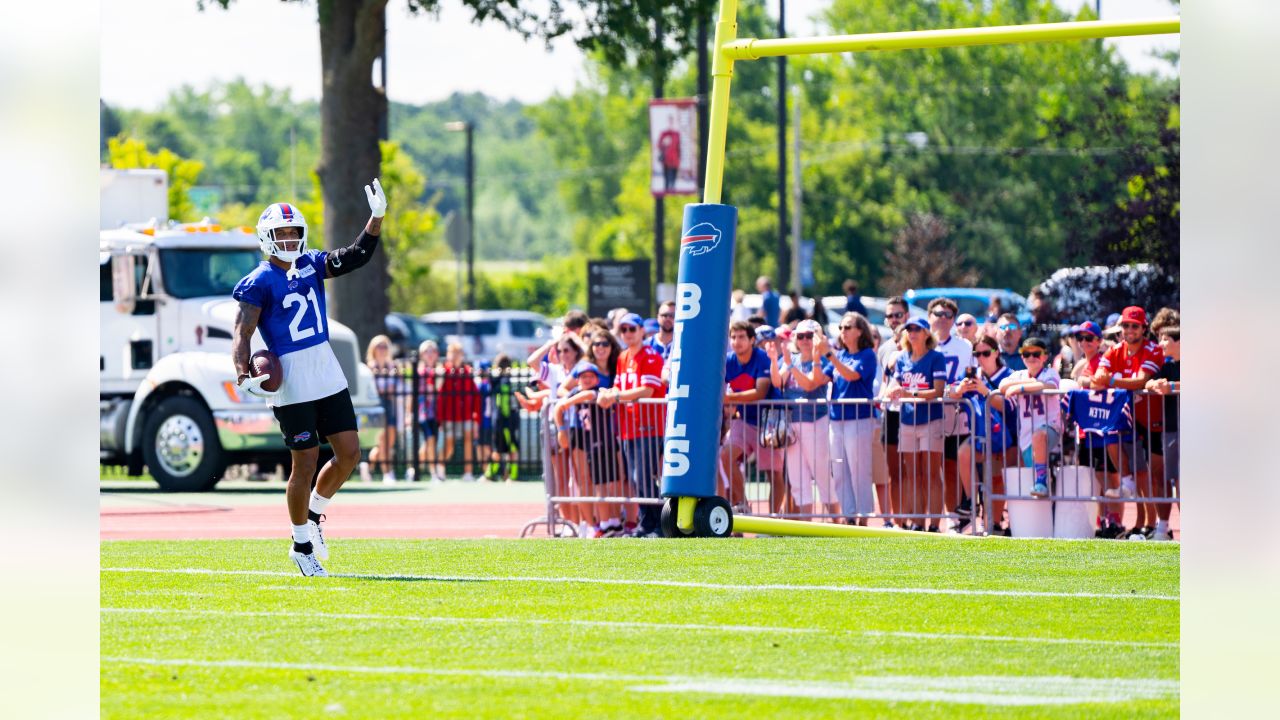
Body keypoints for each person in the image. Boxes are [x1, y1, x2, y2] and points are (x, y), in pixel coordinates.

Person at [231, 178, 387, 577]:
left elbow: (354, 257)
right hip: (293, 377)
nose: (287, 239)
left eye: (293, 232)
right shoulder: (259, 280)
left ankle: (315, 515)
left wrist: (376, 219)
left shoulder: (313, 263)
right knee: (304, 462)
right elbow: (242, 334)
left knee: (350, 451)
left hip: (325, 367)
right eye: (280, 233)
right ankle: (300, 544)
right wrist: (242, 372)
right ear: (267, 237)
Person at [1087, 306, 1165, 536]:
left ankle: (1156, 524)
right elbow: (1094, 382)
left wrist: (1112, 379)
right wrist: (1118, 380)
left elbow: (1140, 381)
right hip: (1126, 418)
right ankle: (1142, 522)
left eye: (1134, 325)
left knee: (1154, 476)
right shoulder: (1115, 350)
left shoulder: (1152, 349)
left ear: (1143, 328)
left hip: (1154, 419)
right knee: (1136, 472)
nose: (1129, 330)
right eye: (1126, 325)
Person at [597, 313, 666, 537]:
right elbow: (617, 386)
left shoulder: (652, 356)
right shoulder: (623, 357)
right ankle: (647, 523)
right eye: (623, 330)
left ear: (641, 331)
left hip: (649, 425)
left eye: (631, 329)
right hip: (628, 427)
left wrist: (614, 397)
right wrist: (606, 394)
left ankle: (656, 524)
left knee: (644, 477)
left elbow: (647, 390)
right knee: (636, 479)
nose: (627, 334)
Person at [879, 316, 947, 531]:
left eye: (917, 329)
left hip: (930, 419)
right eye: (909, 329)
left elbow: (938, 391)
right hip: (907, 420)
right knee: (912, 474)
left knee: (931, 474)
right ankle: (918, 521)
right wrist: (892, 390)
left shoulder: (936, 357)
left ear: (927, 333)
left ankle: (935, 524)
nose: (912, 332)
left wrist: (910, 392)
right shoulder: (902, 359)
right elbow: (897, 384)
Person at [769, 319, 834, 518]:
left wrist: (789, 365)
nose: (805, 340)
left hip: (815, 421)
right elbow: (778, 381)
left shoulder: (823, 360)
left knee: (822, 474)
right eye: (801, 336)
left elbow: (809, 385)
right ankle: (806, 527)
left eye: (809, 335)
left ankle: (837, 522)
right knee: (797, 478)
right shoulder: (791, 359)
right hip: (792, 424)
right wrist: (774, 360)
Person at [953, 335, 1015, 535]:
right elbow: (948, 393)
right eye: (976, 353)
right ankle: (972, 502)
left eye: (986, 353)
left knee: (996, 480)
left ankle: (994, 525)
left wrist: (986, 391)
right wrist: (958, 390)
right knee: (964, 452)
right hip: (981, 435)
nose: (981, 357)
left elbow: (1007, 407)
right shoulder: (971, 374)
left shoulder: (1009, 375)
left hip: (1007, 437)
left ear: (996, 353)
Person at [821, 312, 877, 524]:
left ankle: (863, 516)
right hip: (837, 419)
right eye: (841, 328)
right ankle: (849, 515)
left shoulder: (867, 355)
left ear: (860, 330)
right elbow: (818, 380)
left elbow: (851, 375)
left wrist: (830, 356)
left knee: (859, 469)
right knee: (839, 469)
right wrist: (814, 353)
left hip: (859, 418)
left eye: (848, 327)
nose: (842, 331)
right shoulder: (839, 355)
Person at [928, 297, 976, 519]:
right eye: (938, 314)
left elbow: (968, 376)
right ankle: (924, 520)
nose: (943, 319)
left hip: (954, 410)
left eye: (948, 316)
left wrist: (954, 390)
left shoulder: (963, 346)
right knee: (925, 469)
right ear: (930, 317)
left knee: (950, 465)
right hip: (926, 409)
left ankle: (953, 518)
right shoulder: (921, 343)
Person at [720, 321, 775, 513]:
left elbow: (760, 393)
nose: (737, 341)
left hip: (769, 422)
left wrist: (728, 398)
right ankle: (743, 506)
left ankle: (774, 523)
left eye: (742, 337)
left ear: (752, 340)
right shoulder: (728, 361)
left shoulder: (762, 358)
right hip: (743, 421)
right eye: (733, 337)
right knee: (725, 456)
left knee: (773, 474)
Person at [999, 338, 1063, 499]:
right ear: (1022, 357)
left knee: (1039, 437)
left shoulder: (1050, 372)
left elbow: (1050, 386)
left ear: (1044, 356)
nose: (1031, 357)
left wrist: (1020, 387)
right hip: (1026, 434)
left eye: (1036, 353)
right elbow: (1002, 387)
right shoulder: (1019, 374)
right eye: (1026, 354)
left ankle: (1042, 481)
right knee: (1034, 480)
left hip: (1050, 428)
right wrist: (1027, 383)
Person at [876, 296, 910, 526]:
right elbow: (883, 380)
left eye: (898, 315)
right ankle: (899, 522)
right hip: (891, 413)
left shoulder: (920, 342)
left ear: (907, 316)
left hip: (914, 410)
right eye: (890, 315)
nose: (894, 319)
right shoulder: (885, 348)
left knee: (917, 471)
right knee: (894, 471)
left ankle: (920, 520)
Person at [1145, 325, 1180, 541]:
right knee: (1172, 479)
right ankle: (1163, 528)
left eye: (1166, 339)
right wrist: (1154, 383)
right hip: (1169, 430)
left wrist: (1174, 386)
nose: (1161, 344)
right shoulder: (1166, 366)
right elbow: (1148, 381)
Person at [363, 334, 404, 484]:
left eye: (384, 346)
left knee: (389, 441)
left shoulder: (393, 367)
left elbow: (398, 387)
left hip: (391, 404)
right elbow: (372, 389)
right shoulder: (369, 367)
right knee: (382, 440)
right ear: (373, 349)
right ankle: (388, 472)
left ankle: (367, 465)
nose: (382, 349)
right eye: (379, 346)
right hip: (377, 405)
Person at [438, 342, 481, 482]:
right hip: (449, 415)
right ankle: (440, 467)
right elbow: (439, 394)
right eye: (453, 352)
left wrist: (476, 416)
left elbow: (475, 395)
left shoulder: (468, 371)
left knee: (468, 441)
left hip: (466, 414)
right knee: (449, 443)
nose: (456, 355)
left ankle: (468, 473)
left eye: (459, 352)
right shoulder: (444, 371)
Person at [483, 354, 521, 482]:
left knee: (509, 449)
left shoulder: (504, 381)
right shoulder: (501, 380)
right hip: (503, 420)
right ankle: (492, 474)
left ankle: (511, 475)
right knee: (501, 449)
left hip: (504, 421)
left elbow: (506, 404)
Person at [415, 340, 444, 482]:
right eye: (427, 351)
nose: (430, 354)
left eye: (433, 351)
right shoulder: (420, 371)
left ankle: (414, 469)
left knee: (429, 443)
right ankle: (433, 472)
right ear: (421, 355)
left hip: (436, 413)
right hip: (423, 412)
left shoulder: (440, 370)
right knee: (430, 439)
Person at [657, 115, 681, 192]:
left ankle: (672, 191)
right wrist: (664, 143)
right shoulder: (664, 134)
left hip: (674, 160)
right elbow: (659, 145)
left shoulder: (676, 134)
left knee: (673, 180)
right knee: (667, 180)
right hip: (666, 161)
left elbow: (679, 147)